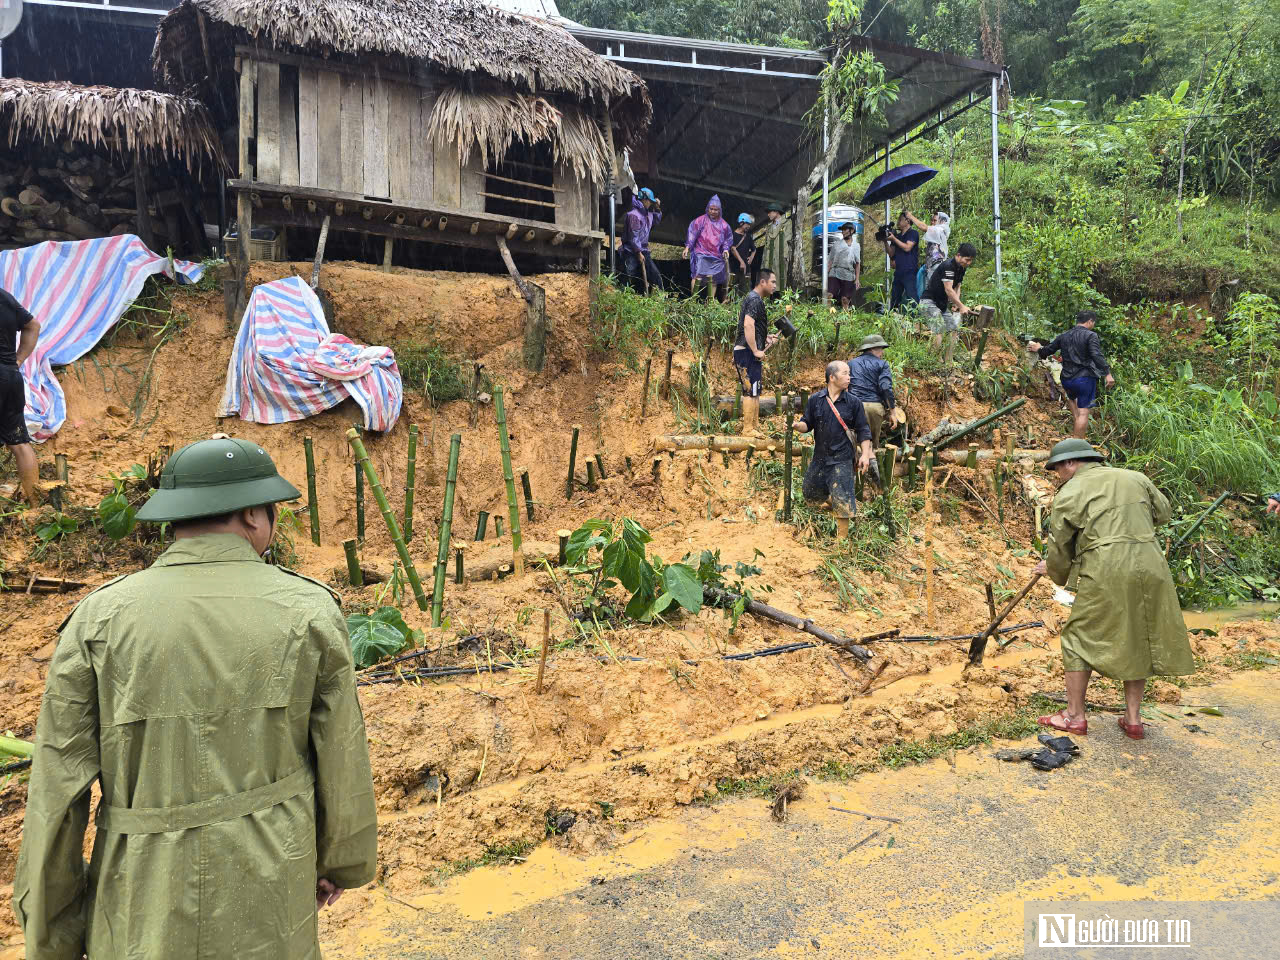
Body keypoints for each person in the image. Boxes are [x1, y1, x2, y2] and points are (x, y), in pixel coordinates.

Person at [14, 436, 378, 959]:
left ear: (176, 518)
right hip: (272, 878)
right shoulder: (309, 611)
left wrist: (53, 931)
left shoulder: (99, 619)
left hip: (142, 894)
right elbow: (342, 752)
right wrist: (340, 861)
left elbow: (56, 792)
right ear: (255, 515)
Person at [1032, 438, 1194, 741]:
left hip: (1107, 568)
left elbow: (1059, 549)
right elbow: (1164, 513)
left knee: (1077, 637)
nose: (1057, 476)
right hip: (1151, 564)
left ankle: (1074, 717)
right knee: (1139, 633)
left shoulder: (1070, 493)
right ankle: (1133, 720)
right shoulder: (1136, 478)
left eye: (1057, 469)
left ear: (1070, 463)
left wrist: (1053, 572)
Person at [795, 360, 874, 541]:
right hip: (820, 457)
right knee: (810, 492)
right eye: (845, 373)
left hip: (842, 458)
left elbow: (863, 430)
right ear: (832, 377)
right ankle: (834, 503)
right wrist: (797, 426)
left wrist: (866, 454)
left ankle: (842, 542)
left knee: (843, 494)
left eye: (849, 373)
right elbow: (807, 423)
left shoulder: (854, 403)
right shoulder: (816, 400)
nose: (849, 377)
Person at [1027, 310, 1115, 439]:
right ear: (1090, 321)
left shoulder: (1064, 335)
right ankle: (1077, 445)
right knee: (1084, 413)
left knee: (1076, 410)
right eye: (1093, 323)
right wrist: (1107, 373)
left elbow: (1048, 350)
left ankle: (1077, 437)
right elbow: (1096, 355)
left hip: (1067, 379)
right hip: (1084, 378)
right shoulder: (1091, 336)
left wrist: (1039, 348)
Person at [1, 285, 40, 505]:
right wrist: (18, 360)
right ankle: (36, 506)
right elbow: (33, 325)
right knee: (19, 442)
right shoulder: (4, 297)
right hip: (10, 377)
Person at [733, 268, 780, 435]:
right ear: (762, 282)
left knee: (755, 390)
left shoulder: (756, 299)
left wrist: (765, 338)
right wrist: (755, 350)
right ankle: (747, 429)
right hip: (746, 351)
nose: (775, 285)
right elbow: (748, 324)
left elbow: (753, 328)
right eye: (773, 282)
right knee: (749, 390)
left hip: (750, 350)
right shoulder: (754, 299)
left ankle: (754, 427)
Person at [847, 334, 906, 452]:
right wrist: (893, 412)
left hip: (855, 405)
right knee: (871, 447)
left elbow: (845, 386)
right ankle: (870, 467)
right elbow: (885, 388)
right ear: (872, 349)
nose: (882, 353)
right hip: (875, 407)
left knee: (855, 444)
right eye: (881, 349)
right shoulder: (882, 364)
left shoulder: (851, 363)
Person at [920, 242, 977, 366]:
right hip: (928, 302)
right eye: (967, 260)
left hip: (941, 305)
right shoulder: (948, 266)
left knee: (953, 329)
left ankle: (949, 361)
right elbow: (948, 289)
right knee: (939, 329)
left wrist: (956, 303)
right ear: (958, 255)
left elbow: (957, 287)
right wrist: (961, 306)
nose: (968, 263)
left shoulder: (961, 268)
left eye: (971, 261)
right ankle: (934, 362)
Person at [684, 194, 734, 302]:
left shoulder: (724, 225)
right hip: (701, 252)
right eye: (711, 209)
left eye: (716, 210)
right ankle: (694, 300)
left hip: (716, 255)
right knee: (698, 275)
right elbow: (692, 233)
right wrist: (687, 246)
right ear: (708, 208)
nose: (713, 212)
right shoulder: (700, 220)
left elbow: (727, 239)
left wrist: (726, 249)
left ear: (719, 210)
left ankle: (710, 302)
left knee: (714, 279)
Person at [621, 187, 663, 293]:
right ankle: (622, 297)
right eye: (649, 201)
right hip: (631, 251)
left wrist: (657, 208)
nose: (650, 203)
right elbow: (633, 236)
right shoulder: (634, 215)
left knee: (655, 276)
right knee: (628, 276)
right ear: (644, 200)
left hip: (644, 251)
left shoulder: (648, 215)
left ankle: (659, 298)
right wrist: (638, 252)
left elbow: (657, 221)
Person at [906, 210, 950, 297]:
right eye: (932, 220)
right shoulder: (939, 230)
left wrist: (910, 216)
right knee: (928, 291)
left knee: (932, 291)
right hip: (932, 266)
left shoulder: (940, 230)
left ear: (941, 221)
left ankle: (936, 308)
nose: (932, 222)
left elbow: (924, 227)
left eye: (935, 220)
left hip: (936, 265)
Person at [882, 213, 919, 309]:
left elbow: (907, 248)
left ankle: (917, 320)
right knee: (895, 297)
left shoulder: (913, 233)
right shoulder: (897, 236)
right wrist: (885, 241)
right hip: (898, 271)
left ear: (907, 221)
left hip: (909, 271)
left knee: (912, 296)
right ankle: (893, 317)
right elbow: (891, 253)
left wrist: (893, 238)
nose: (898, 222)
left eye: (900, 219)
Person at [827, 221, 861, 309]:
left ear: (852, 231)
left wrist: (857, 279)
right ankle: (827, 316)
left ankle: (845, 319)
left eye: (845, 229)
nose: (843, 232)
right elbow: (830, 260)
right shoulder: (837, 244)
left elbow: (857, 263)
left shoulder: (856, 246)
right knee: (829, 295)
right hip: (835, 271)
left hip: (849, 274)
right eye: (842, 230)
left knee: (845, 299)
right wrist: (826, 274)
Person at [730, 213, 758, 295]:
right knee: (731, 290)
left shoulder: (748, 236)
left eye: (750, 224)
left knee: (746, 290)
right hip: (733, 268)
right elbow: (733, 249)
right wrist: (741, 262)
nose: (749, 226)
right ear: (741, 223)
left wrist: (751, 257)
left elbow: (754, 249)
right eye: (747, 224)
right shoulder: (732, 235)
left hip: (746, 269)